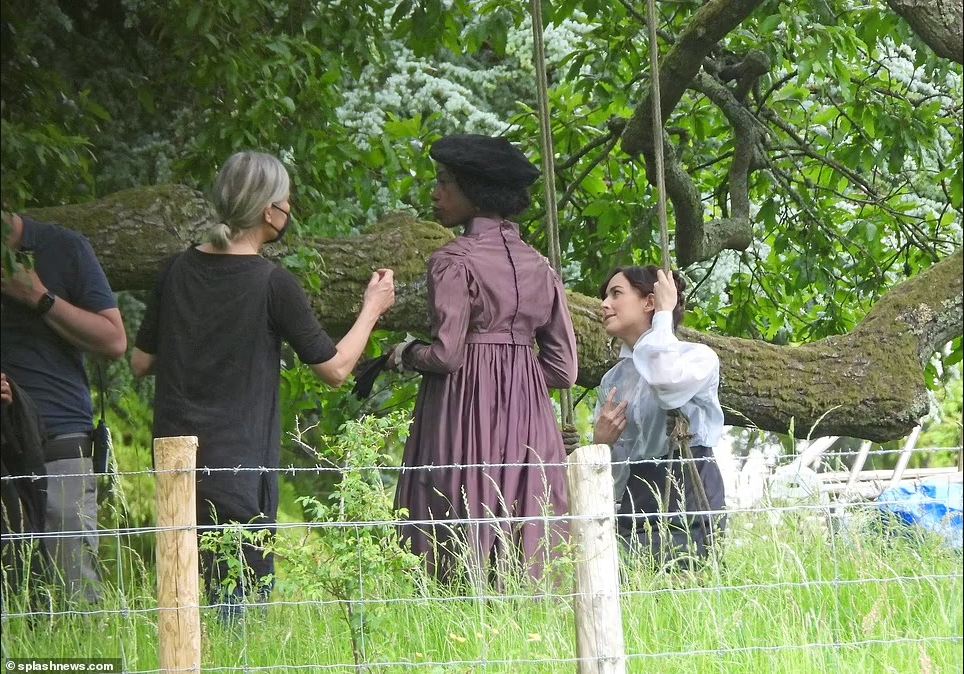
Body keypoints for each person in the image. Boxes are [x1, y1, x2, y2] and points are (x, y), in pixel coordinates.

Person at [131, 151, 396, 618]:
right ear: (268, 210)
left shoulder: (175, 271)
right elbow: (334, 370)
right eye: (287, 201)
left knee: (180, 602)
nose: (289, 212)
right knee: (237, 611)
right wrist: (372, 308)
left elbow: (140, 361)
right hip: (240, 470)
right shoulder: (273, 284)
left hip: (175, 462)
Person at [387, 134, 578, 585]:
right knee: (525, 527)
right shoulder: (540, 265)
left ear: (474, 191)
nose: (436, 193)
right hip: (531, 423)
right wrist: (518, 380)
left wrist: (406, 353)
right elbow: (564, 368)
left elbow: (448, 354)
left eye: (445, 183)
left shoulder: (453, 261)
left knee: (457, 517)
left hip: (462, 412)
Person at [1, 212, 127, 604]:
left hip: (60, 444)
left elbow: (114, 341)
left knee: (74, 592)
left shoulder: (65, 247)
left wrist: (39, 297)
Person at [593, 266, 726, 567]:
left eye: (616, 294)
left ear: (649, 302)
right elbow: (618, 465)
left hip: (689, 493)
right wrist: (601, 444)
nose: (604, 304)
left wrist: (664, 316)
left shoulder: (697, 357)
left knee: (685, 594)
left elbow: (665, 384)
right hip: (636, 501)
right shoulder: (613, 381)